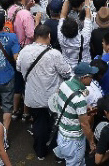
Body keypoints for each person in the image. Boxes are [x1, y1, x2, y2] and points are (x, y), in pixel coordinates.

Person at [16, 24, 71, 159]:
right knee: (55, 124)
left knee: (39, 122)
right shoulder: (54, 54)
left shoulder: (24, 51)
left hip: (32, 96)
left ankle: (40, 151)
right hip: (51, 97)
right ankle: (56, 151)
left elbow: (18, 67)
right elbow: (67, 72)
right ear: (49, 36)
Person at [52, 62, 98, 166]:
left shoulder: (64, 84)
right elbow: (84, 125)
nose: (92, 79)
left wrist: (84, 107)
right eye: (91, 76)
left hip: (62, 132)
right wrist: (91, 142)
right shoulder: (79, 99)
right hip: (74, 140)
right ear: (84, 78)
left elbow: (67, 102)